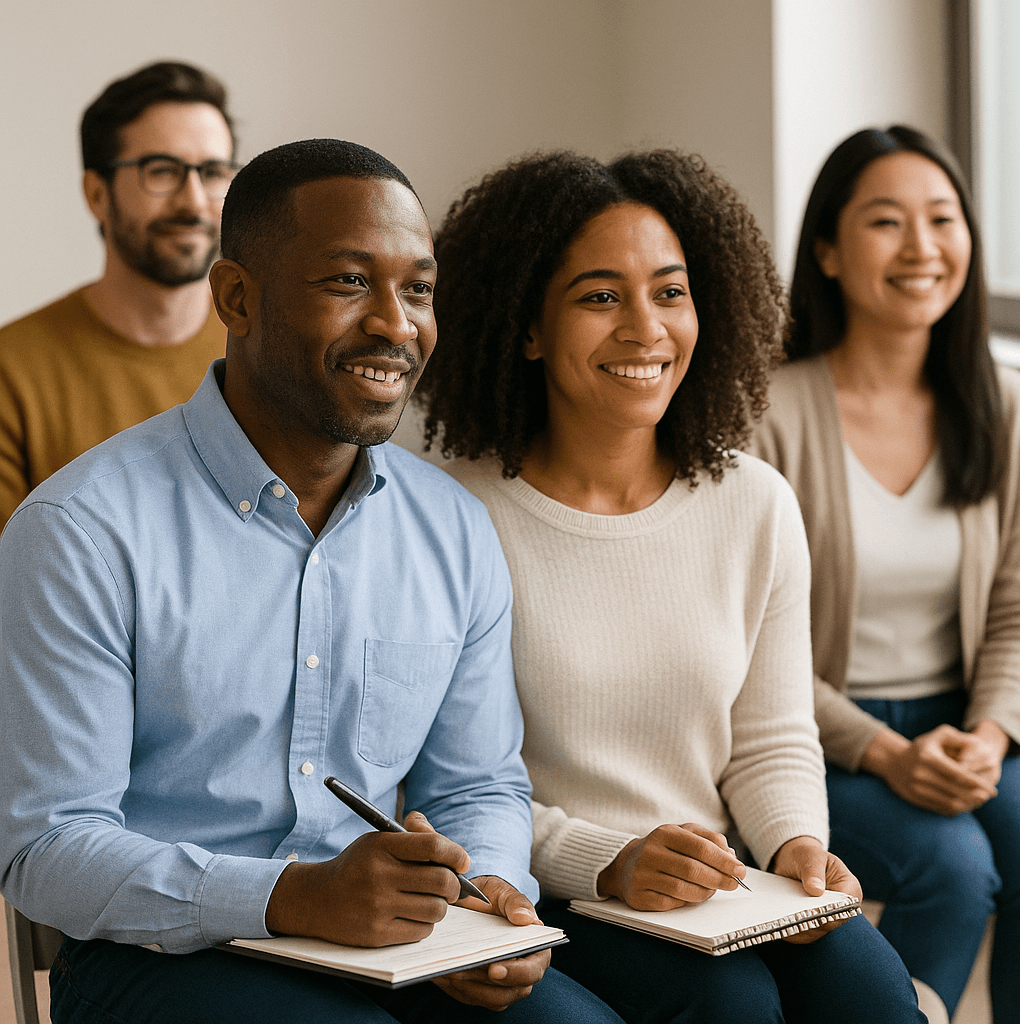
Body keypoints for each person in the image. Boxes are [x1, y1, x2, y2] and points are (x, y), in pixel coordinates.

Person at [0, 139, 626, 1024]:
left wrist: (488, 900)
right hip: (159, 958)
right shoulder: (79, 532)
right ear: (236, 298)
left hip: (395, 942)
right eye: (348, 283)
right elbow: (48, 848)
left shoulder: (451, 528)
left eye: (417, 289)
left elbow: (476, 787)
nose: (395, 325)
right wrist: (291, 897)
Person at [415, 149, 926, 1023]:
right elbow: (434, 780)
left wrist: (799, 846)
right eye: (600, 296)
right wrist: (602, 859)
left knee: (874, 993)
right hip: (555, 884)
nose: (644, 327)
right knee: (731, 1008)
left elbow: (770, 737)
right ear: (528, 328)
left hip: (719, 880)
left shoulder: (755, 502)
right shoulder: (452, 514)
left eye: (670, 291)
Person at [748, 125, 1020, 1023]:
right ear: (826, 249)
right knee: (952, 866)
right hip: (823, 730)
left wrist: (988, 736)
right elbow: (746, 640)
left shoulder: (1004, 398)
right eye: (885, 222)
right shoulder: (771, 411)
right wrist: (884, 751)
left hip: (963, 720)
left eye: (942, 219)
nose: (921, 248)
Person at [0, 60, 236, 529]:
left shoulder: (273, 351)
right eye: (162, 171)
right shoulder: (12, 370)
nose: (193, 201)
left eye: (212, 172)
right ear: (96, 194)